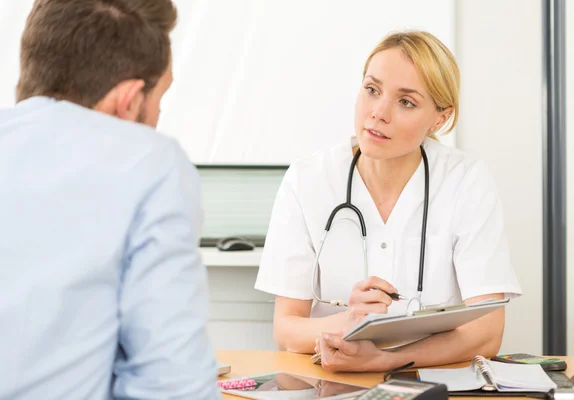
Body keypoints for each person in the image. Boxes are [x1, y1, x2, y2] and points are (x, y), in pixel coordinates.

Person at [255, 31, 522, 372]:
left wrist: (385, 361)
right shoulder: (308, 179)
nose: (378, 113)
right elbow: (287, 329)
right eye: (372, 90)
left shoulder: (465, 180)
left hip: (430, 383)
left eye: (406, 102)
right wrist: (348, 321)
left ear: (440, 118)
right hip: (330, 383)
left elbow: (486, 331)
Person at [0, 0, 218, 398]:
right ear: (129, 99)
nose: (157, 113)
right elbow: (171, 384)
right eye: (159, 96)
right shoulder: (149, 162)